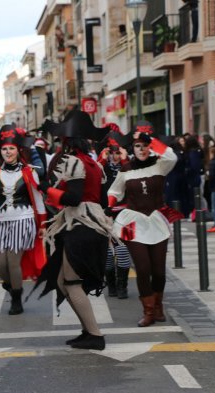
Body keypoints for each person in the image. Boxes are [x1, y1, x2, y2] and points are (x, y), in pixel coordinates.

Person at [35, 110, 115, 350]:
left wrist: (47, 189)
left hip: (81, 225)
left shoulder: (73, 162)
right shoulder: (94, 164)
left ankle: (96, 335)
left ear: (67, 142)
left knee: (70, 283)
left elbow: (73, 198)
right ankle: (88, 331)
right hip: (92, 225)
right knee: (62, 281)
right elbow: (102, 200)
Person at [107, 122, 180, 328]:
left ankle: (158, 307)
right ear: (132, 148)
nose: (142, 149)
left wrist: (151, 140)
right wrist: (110, 205)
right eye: (138, 146)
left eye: (145, 145)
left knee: (158, 271)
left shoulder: (161, 164)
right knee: (143, 268)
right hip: (133, 222)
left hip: (157, 221)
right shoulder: (126, 169)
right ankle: (147, 311)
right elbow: (114, 191)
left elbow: (172, 156)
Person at [0, 125, 46, 315]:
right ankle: (11, 285)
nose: (8, 152)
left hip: (23, 220)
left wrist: (42, 225)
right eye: (5, 149)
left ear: (18, 150)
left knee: (13, 261)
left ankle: (16, 299)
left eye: (11, 148)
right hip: (0, 221)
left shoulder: (29, 171)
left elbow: (38, 200)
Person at [97, 127, 132, 299]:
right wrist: (102, 161)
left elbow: (134, 180)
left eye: (119, 152)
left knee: (123, 250)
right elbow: (93, 179)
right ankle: (111, 284)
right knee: (108, 253)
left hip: (126, 214)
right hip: (104, 214)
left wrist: (125, 162)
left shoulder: (129, 166)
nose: (116, 156)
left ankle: (122, 285)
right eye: (112, 152)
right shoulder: (101, 167)